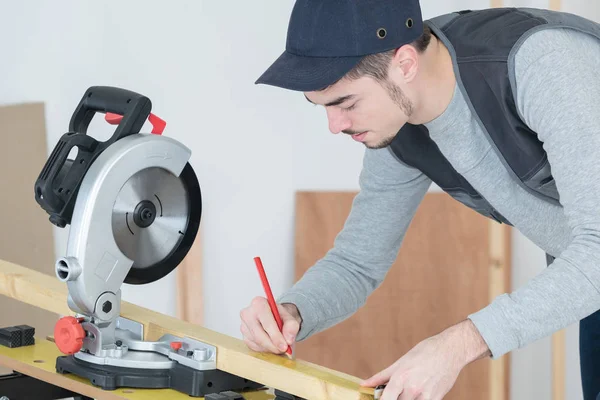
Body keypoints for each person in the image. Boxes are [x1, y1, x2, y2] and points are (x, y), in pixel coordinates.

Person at [240, 1, 600, 399]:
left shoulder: (541, 65)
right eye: (322, 107)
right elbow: (357, 262)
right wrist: (293, 312)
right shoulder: (399, 127)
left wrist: (455, 345)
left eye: (346, 103)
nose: (334, 125)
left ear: (406, 64)